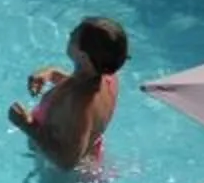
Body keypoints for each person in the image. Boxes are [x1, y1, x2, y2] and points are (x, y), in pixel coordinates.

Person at [10, 17, 129, 169]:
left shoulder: (81, 104)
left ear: (83, 56)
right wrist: (51, 73)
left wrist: (26, 125)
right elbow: (77, 88)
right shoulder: (107, 76)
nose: (70, 33)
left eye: (75, 35)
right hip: (91, 155)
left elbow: (67, 162)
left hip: (60, 178)